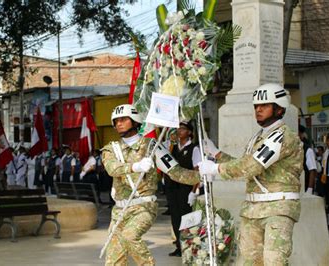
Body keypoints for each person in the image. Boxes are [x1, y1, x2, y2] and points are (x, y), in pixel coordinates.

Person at [197, 84, 303, 265]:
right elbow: (245, 165)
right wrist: (217, 155)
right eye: (256, 106)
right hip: (253, 209)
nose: (258, 109)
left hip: (277, 208)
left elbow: (251, 166)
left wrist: (216, 169)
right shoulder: (258, 137)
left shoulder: (283, 136)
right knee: (249, 261)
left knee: (274, 261)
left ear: (278, 108)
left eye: (264, 105)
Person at [101, 104, 199, 265]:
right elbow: (112, 169)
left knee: (130, 236)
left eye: (123, 119)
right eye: (116, 121)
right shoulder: (111, 149)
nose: (119, 123)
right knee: (114, 258)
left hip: (143, 207)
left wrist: (202, 175)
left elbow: (176, 172)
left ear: (135, 121)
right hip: (119, 210)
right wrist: (135, 166)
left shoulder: (152, 147)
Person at [165, 120, 201, 257]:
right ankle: (180, 247)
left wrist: (194, 191)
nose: (179, 131)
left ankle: (189, 246)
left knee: (186, 218)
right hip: (172, 187)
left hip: (185, 189)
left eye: (183, 128)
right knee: (175, 218)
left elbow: (196, 171)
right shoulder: (173, 147)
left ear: (190, 132)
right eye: (178, 128)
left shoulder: (194, 148)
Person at [298, 125, 317, 194]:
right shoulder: (292, 149)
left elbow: (312, 170)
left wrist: (310, 188)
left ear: (301, 135)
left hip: (305, 185)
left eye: (298, 134)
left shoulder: (308, 150)